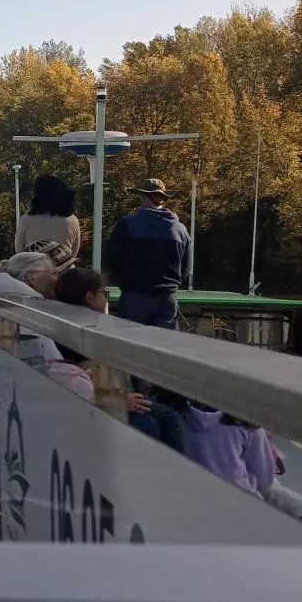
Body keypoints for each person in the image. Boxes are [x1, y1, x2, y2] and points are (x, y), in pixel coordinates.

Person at [51, 267, 184, 448]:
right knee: (169, 417)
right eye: (103, 293)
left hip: (101, 396)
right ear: (89, 297)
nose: (106, 299)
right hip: (104, 399)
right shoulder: (91, 329)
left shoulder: (60, 323)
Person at [105, 178, 190, 329]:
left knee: (130, 342)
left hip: (134, 295)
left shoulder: (128, 224)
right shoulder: (180, 229)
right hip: (167, 298)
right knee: (165, 343)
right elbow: (185, 268)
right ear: (163, 198)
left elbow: (113, 259)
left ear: (143, 196)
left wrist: (123, 282)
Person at [0, 251, 62, 362]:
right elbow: (54, 366)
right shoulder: (28, 316)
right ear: (32, 277)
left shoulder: (6, 312)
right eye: (54, 273)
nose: (58, 278)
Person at [180, 404, 276, 495]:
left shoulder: (178, 409)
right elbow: (265, 481)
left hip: (191, 490)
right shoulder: (247, 423)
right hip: (237, 497)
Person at [16, 175, 82, 268]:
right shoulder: (72, 220)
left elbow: (20, 252)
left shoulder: (25, 220)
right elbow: (73, 253)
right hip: (64, 272)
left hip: (34, 272)